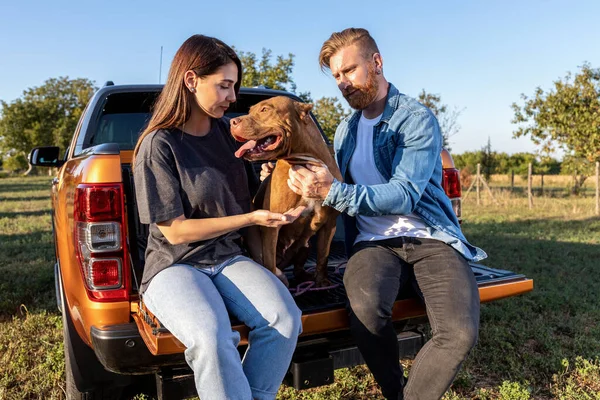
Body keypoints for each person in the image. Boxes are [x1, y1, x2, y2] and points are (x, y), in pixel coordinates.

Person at [279, 28, 487, 400]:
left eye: (350, 70)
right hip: (374, 243)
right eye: (337, 76)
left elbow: (405, 194)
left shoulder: (415, 118)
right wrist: (283, 171)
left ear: (377, 62)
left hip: (429, 237)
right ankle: (396, 392)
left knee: (458, 333)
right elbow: (327, 177)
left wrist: (332, 190)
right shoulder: (345, 131)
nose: (343, 83)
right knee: (366, 313)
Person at [132, 34, 304, 400]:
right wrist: (251, 218)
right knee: (211, 337)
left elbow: (254, 186)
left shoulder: (230, 136)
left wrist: (267, 263)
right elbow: (175, 232)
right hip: (174, 266)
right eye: (224, 86)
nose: (232, 96)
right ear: (191, 80)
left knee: (284, 320)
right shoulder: (157, 145)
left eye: (234, 86)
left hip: (228, 258)